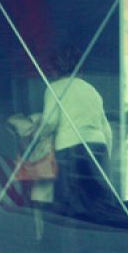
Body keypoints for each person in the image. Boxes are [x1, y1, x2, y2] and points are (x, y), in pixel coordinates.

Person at [37, 44, 115, 228]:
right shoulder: (91, 90)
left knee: (71, 204)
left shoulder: (55, 88)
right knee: (96, 200)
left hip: (70, 148)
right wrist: (105, 156)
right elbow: (107, 129)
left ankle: (73, 244)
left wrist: (36, 137)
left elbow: (50, 122)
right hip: (98, 146)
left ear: (54, 67)